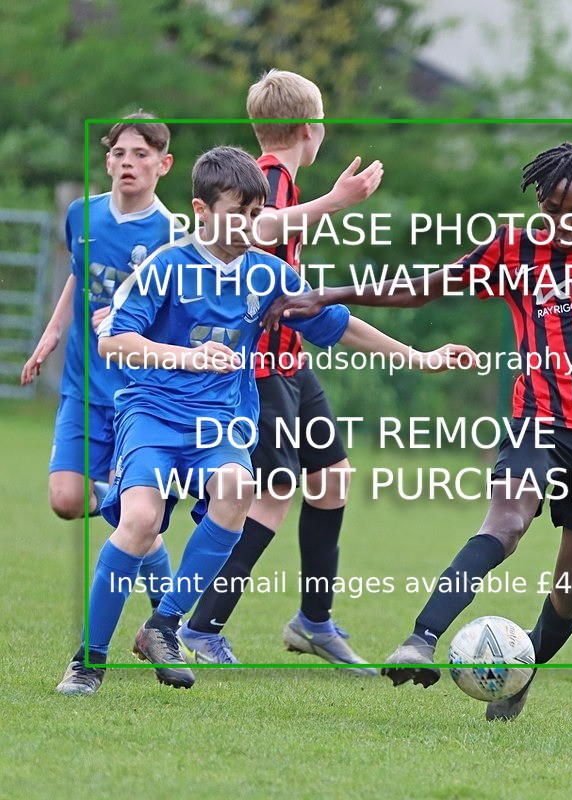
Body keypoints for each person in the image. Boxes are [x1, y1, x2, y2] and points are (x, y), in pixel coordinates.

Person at [262, 92, 572, 719]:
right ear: (541, 203)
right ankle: (419, 640)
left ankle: (519, 672)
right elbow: (419, 293)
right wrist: (329, 294)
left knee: (571, 589)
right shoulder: (513, 251)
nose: (566, 223)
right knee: (505, 524)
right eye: (554, 209)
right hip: (537, 418)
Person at [55, 145, 474, 695]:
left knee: (236, 488)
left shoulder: (268, 274)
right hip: (153, 413)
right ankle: (88, 660)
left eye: (257, 215)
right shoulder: (165, 266)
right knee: (139, 522)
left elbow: (342, 326)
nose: (251, 226)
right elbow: (113, 340)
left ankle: (163, 624)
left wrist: (420, 358)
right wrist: (187, 357)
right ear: (201, 210)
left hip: (223, 420)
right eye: (238, 214)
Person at [177, 69, 384, 673]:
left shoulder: (285, 182)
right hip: (259, 367)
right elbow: (255, 229)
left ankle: (312, 622)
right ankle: (199, 626)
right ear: (312, 128)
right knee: (272, 494)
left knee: (332, 478)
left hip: (291, 360)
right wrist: (337, 203)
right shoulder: (267, 180)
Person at [21, 113, 175, 610]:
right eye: (120, 154)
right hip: (83, 386)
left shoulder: (172, 235)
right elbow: (78, 274)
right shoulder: (81, 214)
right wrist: (53, 330)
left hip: (140, 396)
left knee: (139, 517)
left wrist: (129, 320)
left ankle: (165, 623)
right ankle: (125, 506)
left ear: (163, 164)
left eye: (141, 155)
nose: (128, 163)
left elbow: (175, 317)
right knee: (66, 500)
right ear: (108, 161)